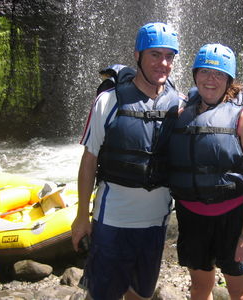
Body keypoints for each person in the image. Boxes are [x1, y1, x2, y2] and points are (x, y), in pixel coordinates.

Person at [71, 22, 184, 300]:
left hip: (156, 221)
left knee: (141, 294)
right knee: (101, 294)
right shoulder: (108, 101)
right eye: (155, 55)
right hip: (113, 219)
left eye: (169, 56)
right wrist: (81, 216)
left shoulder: (179, 103)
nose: (163, 63)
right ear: (137, 55)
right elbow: (89, 160)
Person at [168, 44, 243, 300]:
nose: (211, 80)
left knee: (239, 290)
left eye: (219, 74)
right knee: (200, 287)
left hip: (233, 218)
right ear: (195, 75)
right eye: (204, 72)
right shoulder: (182, 113)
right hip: (192, 217)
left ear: (229, 80)